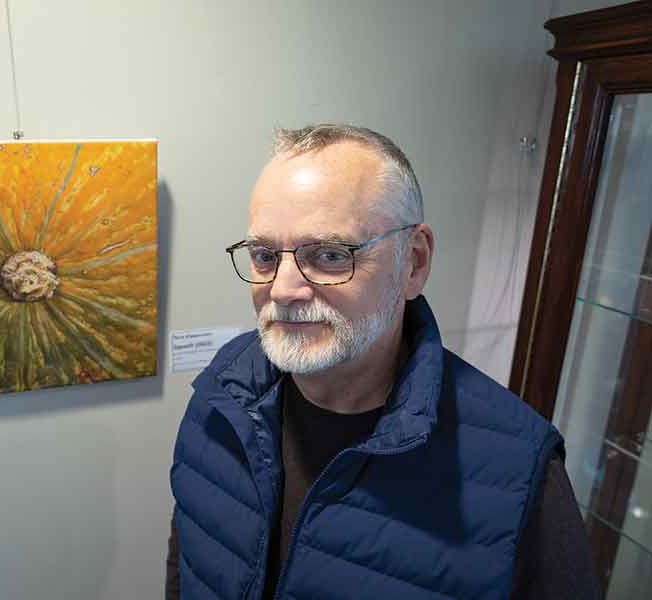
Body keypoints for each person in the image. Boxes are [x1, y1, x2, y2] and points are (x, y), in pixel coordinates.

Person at [166, 124, 599, 600]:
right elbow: (188, 566)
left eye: (330, 255)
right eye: (265, 255)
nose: (284, 289)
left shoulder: (520, 473)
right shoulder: (220, 397)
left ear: (413, 262)